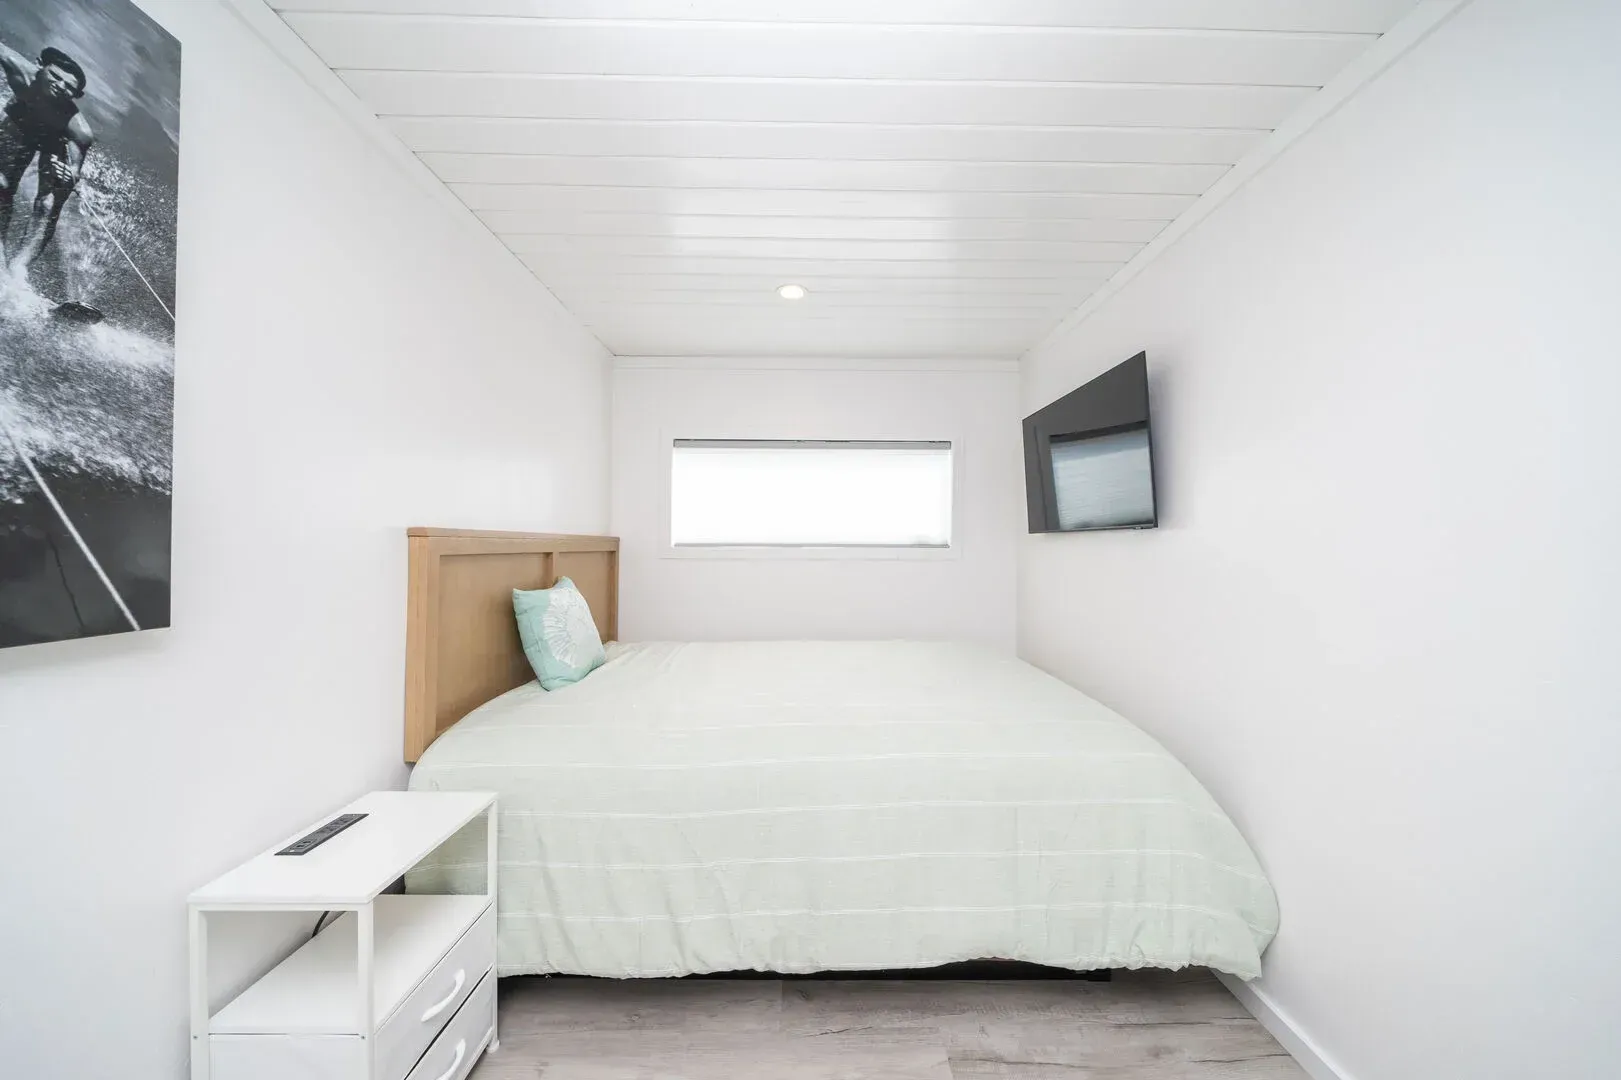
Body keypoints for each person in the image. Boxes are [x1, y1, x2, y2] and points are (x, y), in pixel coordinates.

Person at [0, 42, 93, 281]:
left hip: (55, 138)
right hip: (20, 120)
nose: (60, 86)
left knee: (49, 204)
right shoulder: (19, 72)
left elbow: (74, 172)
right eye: (55, 76)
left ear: (77, 96)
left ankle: (18, 269)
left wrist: (68, 173)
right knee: (2, 185)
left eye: (69, 87)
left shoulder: (78, 129)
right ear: (39, 66)